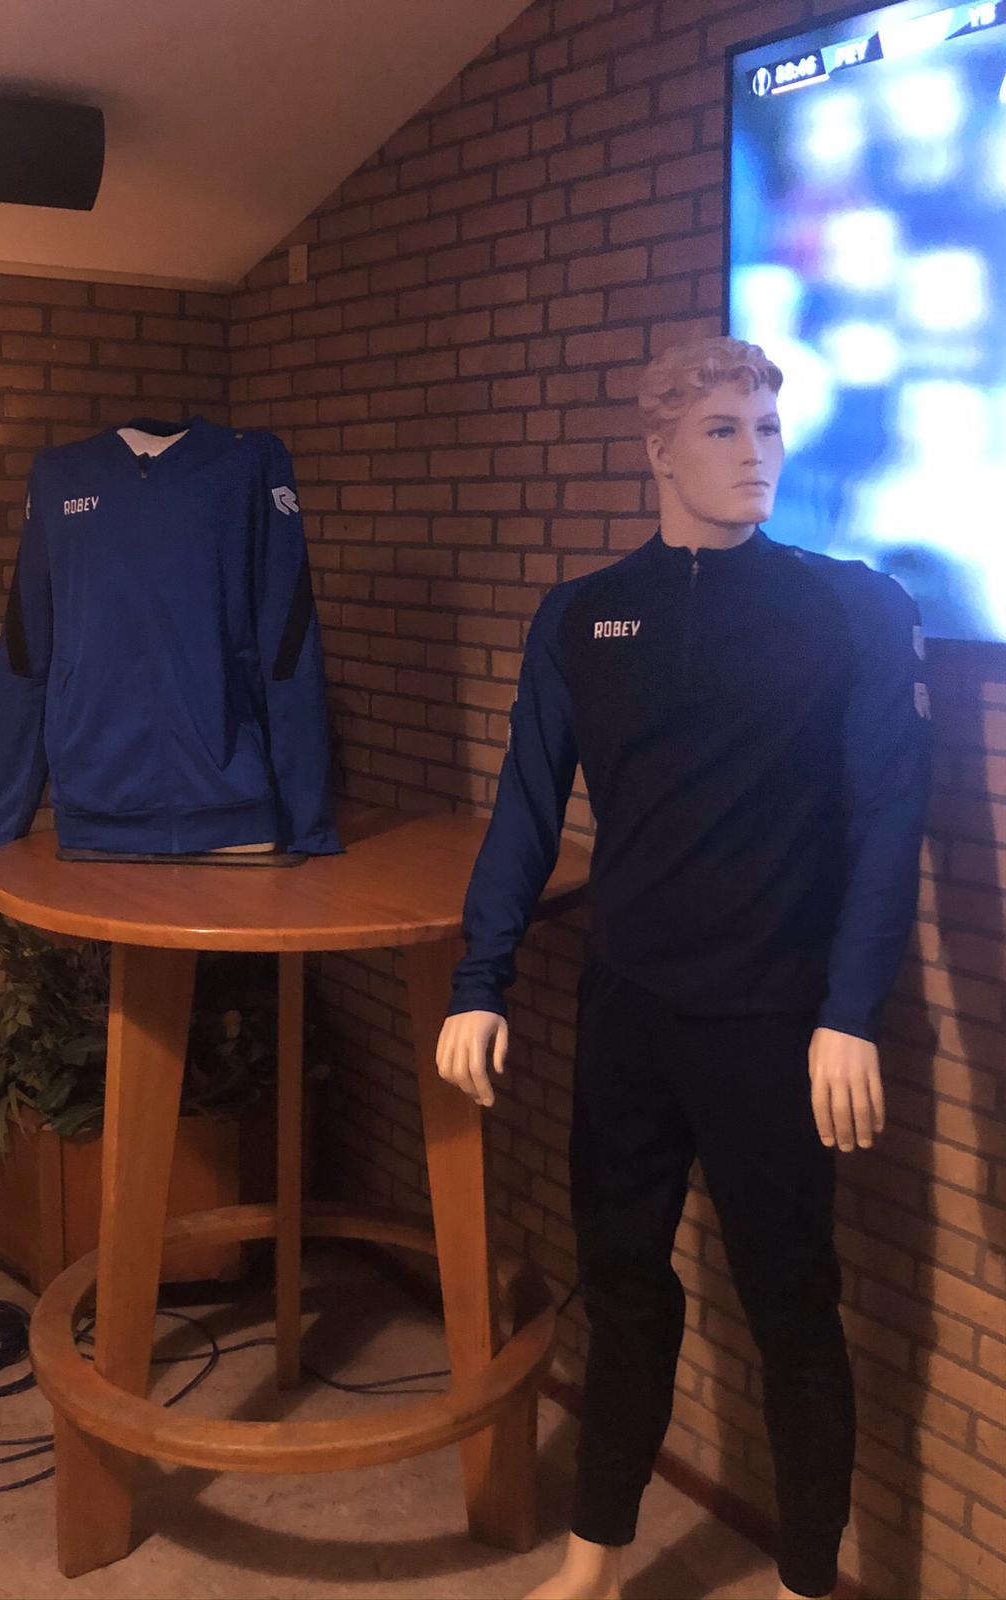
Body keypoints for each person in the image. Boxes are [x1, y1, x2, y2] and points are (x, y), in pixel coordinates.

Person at [435, 335, 933, 1600]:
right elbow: (526, 807)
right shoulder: (584, 617)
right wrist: (480, 980)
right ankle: (595, 1558)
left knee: (793, 1310)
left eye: (767, 429)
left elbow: (890, 817)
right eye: (722, 429)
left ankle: (807, 1580)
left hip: (775, 1023)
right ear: (658, 448)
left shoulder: (852, 608)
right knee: (622, 1289)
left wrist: (850, 1010)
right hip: (630, 1015)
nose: (756, 454)